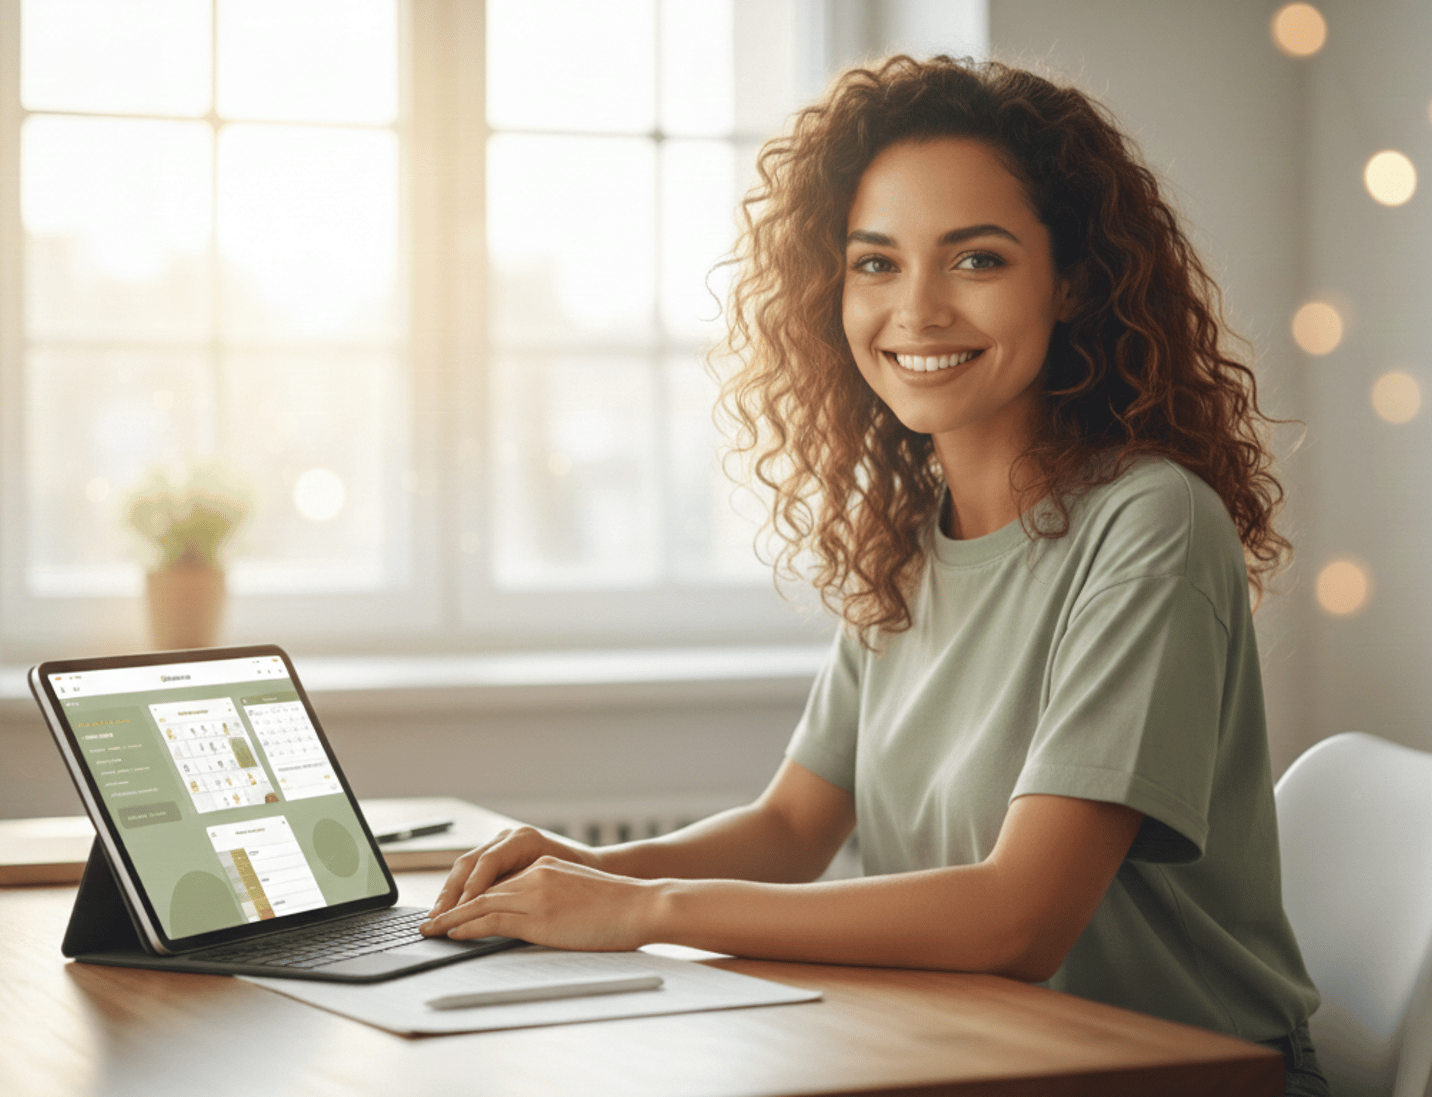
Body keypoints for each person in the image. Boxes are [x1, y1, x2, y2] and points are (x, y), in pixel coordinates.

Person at [422, 56, 1328, 1095]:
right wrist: (589, 870)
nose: (918, 309)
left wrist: (645, 909)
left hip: (1176, 1073)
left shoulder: (1151, 521)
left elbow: (1021, 916)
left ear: (1074, 279)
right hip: (973, 1053)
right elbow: (794, 826)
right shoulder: (907, 538)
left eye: (976, 259)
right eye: (876, 263)